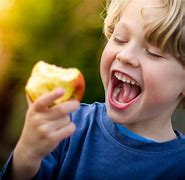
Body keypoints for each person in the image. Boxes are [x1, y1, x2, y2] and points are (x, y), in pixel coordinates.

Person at [1, 0, 185, 179]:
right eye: (120, 39)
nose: (125, 55)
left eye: (154, 52)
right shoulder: (65, 127)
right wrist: (26, 154)